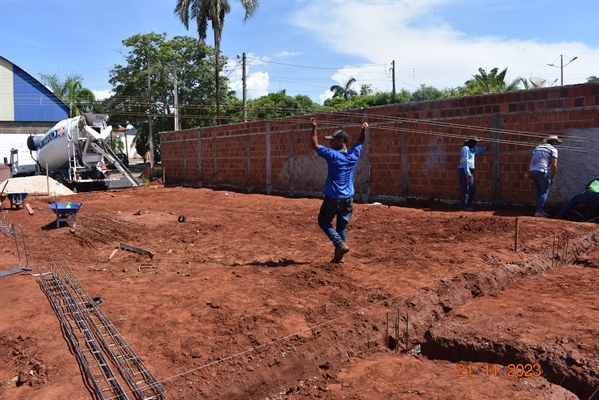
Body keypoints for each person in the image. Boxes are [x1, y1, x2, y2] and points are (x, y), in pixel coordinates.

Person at [310, 118, 368, 263]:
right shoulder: (353, 155)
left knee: (323, 221)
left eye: (333, 140)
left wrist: (314, 128)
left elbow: (314, 145)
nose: (330, 143)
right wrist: (363, 130)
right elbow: (360, 141)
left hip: (333, 198)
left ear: (341, 141)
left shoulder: (333, 155)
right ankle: (339, 255)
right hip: (348, 198)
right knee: (342, 226)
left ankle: (339, 244)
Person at [528, 135, 562, 218]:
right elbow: (554, 165)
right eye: (556, 142)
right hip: (542, 171)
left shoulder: (537, 148)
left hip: (532, 171)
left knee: (539, 191)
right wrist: (553, 178)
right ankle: (539, 211)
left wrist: (528, 172)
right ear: (554, 142)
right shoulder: (553, 149)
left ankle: (539, 210)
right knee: (544, 191)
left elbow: (530, 161)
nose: (556, 144)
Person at [458, 135, 487, 211]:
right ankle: (464, 206)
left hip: (469, 171)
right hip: (465, 171)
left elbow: (479, 150)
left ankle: (467, 204)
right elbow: (465, 161)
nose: (475, 144)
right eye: (475, 142)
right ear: (471, 142)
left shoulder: (472, 149)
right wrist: (468, 173)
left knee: (472, 188)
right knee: (465, 188)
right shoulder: (466, 149)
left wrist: (486, 147)